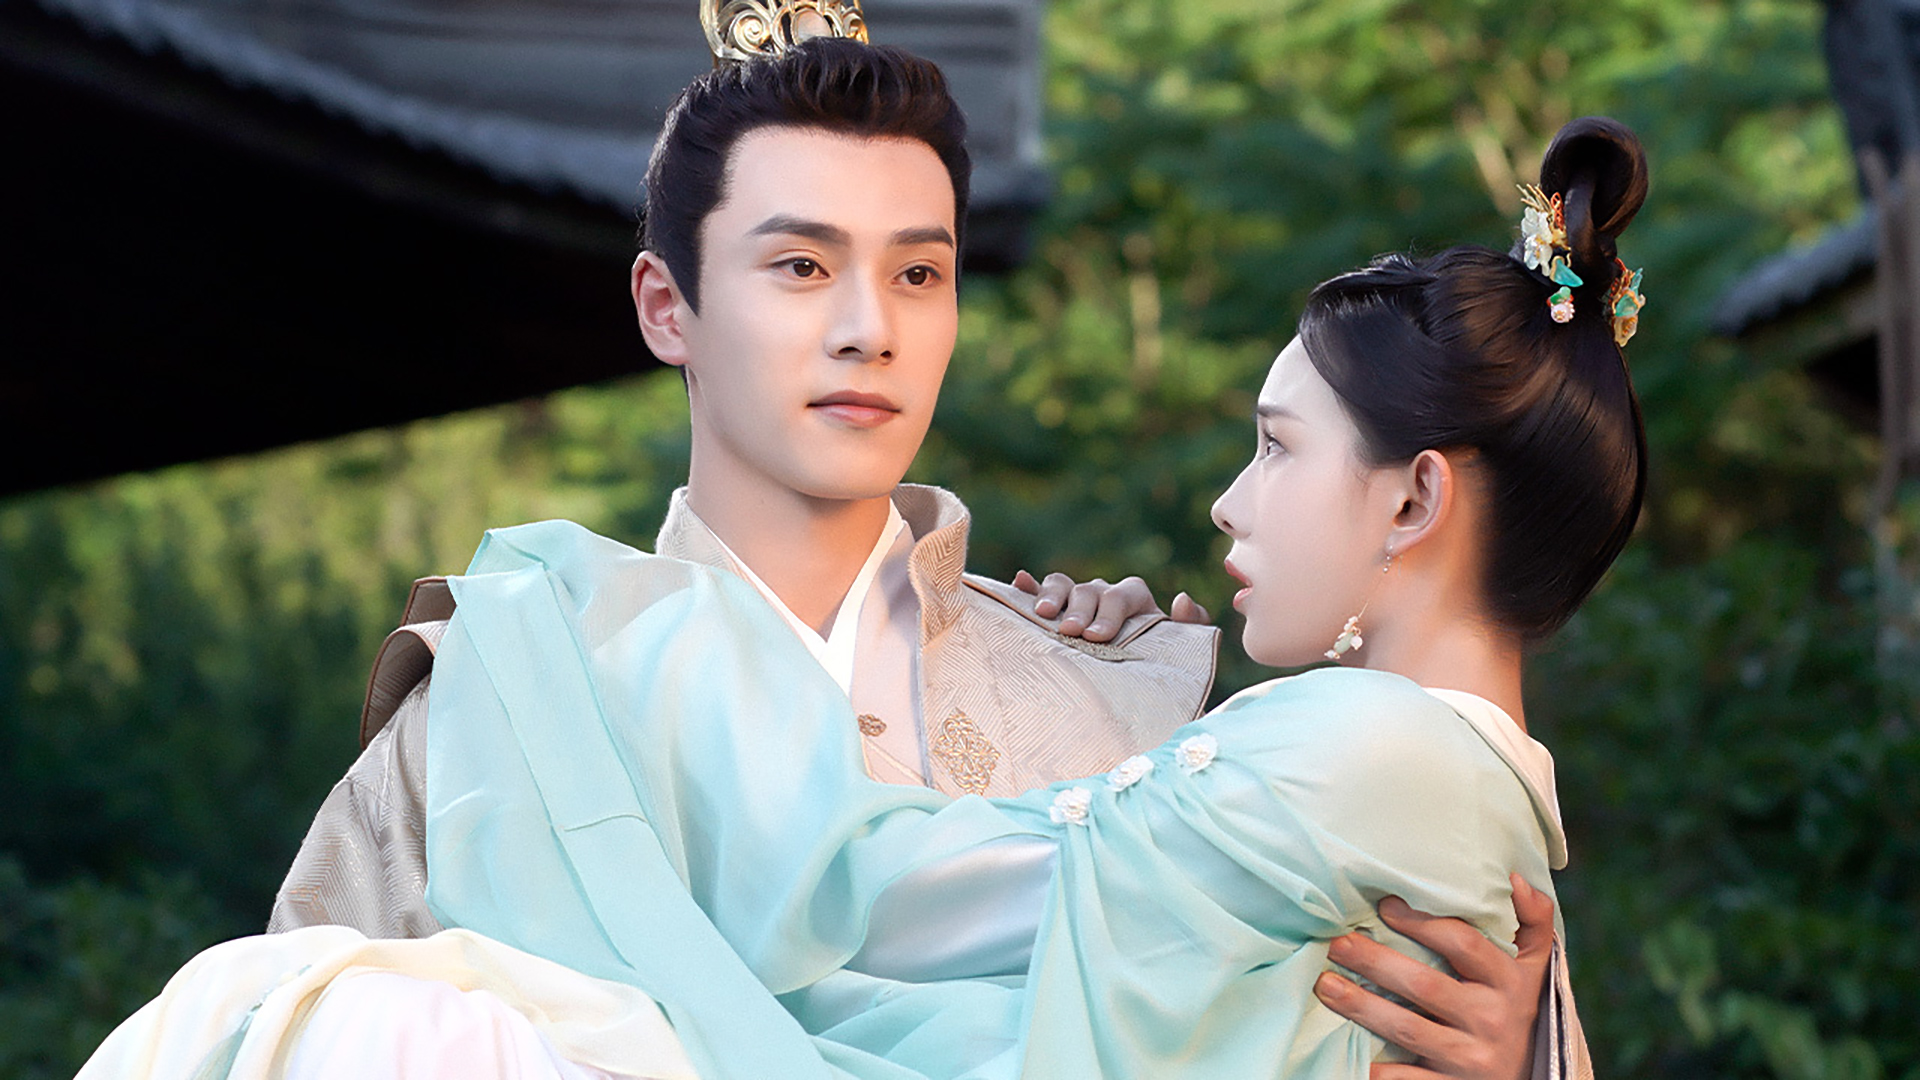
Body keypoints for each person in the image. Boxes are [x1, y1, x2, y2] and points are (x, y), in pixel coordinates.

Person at [80, 106, 1639, 1080]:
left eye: (918, 272)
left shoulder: (1134, 692)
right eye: (798, 266)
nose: (867, 331)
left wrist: (1520, 1057)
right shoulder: (505, 680)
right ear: (668, 306)